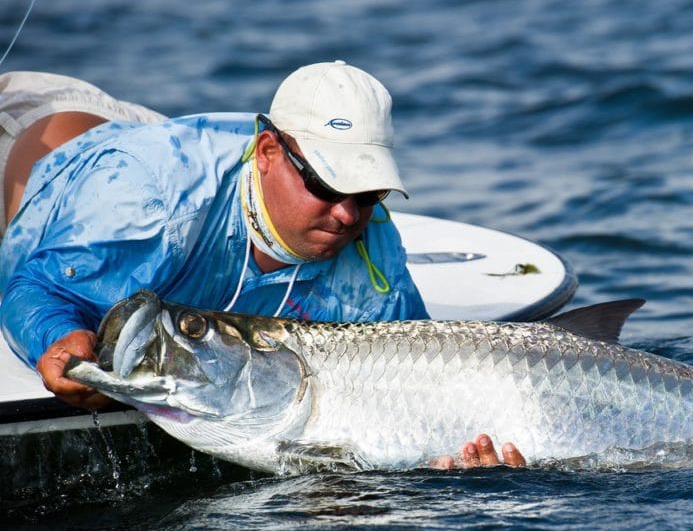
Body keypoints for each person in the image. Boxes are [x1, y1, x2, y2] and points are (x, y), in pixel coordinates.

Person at [0, 63, 525, 469]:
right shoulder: (150, 202)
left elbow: (419, 377)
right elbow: (31, 283)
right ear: (269, 151)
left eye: (368, 192)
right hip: (45, 136)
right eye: (325, 184)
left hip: (185, 149)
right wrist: (60, 333)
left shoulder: (373, 250)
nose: (347, 214)